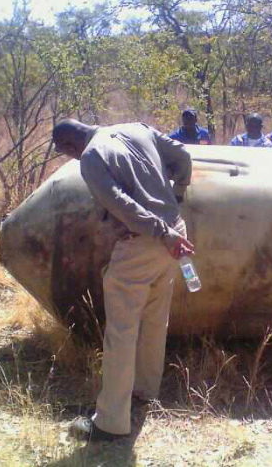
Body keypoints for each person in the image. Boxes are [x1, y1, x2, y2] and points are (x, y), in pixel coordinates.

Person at [52, 119, 195, 442]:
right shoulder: (137, 127)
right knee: (156, 318)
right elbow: (183, 156)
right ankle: (145, 391)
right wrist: (178, 192)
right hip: (176, 231)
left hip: (144, 242)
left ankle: (111, 422)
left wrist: (161, 232)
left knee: (121, 331)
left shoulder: (90, 158)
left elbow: (120, 203)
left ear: (69, 147)